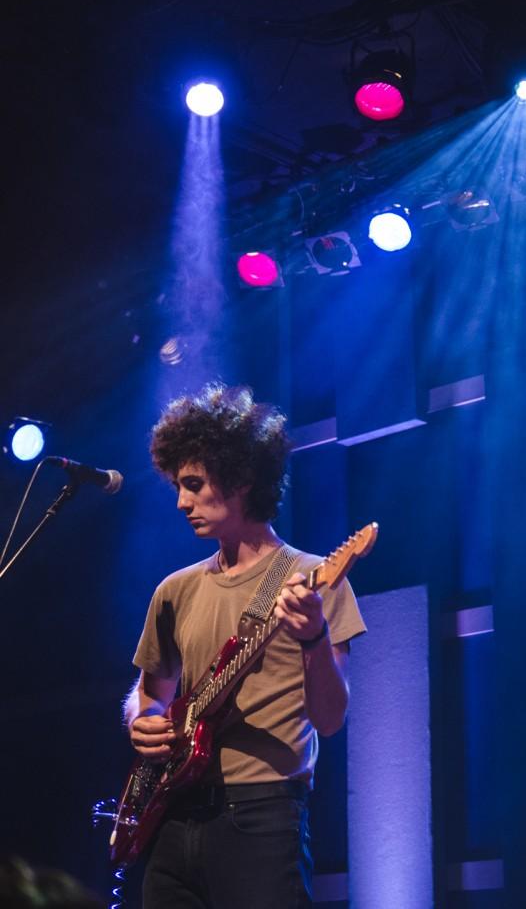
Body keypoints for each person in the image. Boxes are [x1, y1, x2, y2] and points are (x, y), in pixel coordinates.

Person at [124, 383, 366, 909]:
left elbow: (329, 719)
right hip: (173, 814)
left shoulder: (314, 579)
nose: (181, 501)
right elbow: (149, 695)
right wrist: (140, 720)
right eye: (177, 485)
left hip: (261, 814)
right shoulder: (174, 589)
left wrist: (313, 636)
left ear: (241, 478)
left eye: (193, 484)